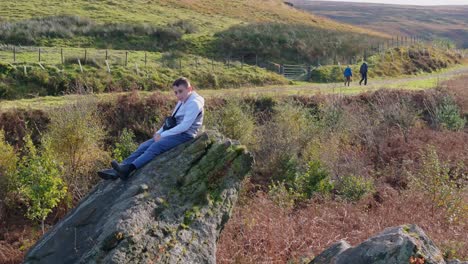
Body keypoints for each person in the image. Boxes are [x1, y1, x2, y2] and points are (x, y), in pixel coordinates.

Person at [98, 77, 204, 180]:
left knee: (156, 146)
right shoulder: (183, 100)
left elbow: (185, 126)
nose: (178, 95)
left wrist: (162, 135)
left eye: (180, 91)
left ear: (189, 89)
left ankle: (128, 169)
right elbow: (172, 120)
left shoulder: (194, 103)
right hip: (174, 132)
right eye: (176, 92)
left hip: (186, 135)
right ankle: (119, 169)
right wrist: (158, 132)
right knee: (144, 146)